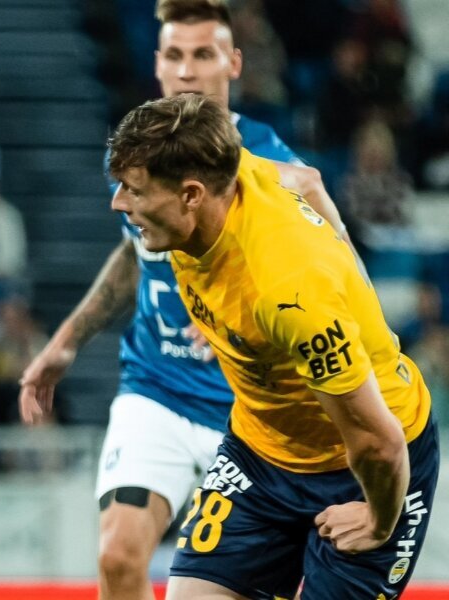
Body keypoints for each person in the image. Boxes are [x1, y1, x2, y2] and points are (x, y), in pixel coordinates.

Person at [18, 2, 338, 598]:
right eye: (174, 55)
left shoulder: (271, 163)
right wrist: (66, 342)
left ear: (233, 63)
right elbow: (135, 254)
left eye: (203, 55)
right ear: (157, 64)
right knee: (117, 557)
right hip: (156, 389)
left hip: (245, 409)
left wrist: (246, 321)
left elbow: (328, 277)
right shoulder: (135, 152)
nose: (187, 71)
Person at [108, 93, 439, 600]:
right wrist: (346, 264)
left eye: (134, 190)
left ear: (191, 195)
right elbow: (308, 180)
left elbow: (379, 442)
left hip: (366, 469)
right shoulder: (223, 168)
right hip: (260, 456)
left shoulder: (288, 292)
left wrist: (379, 520)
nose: (119, 203)